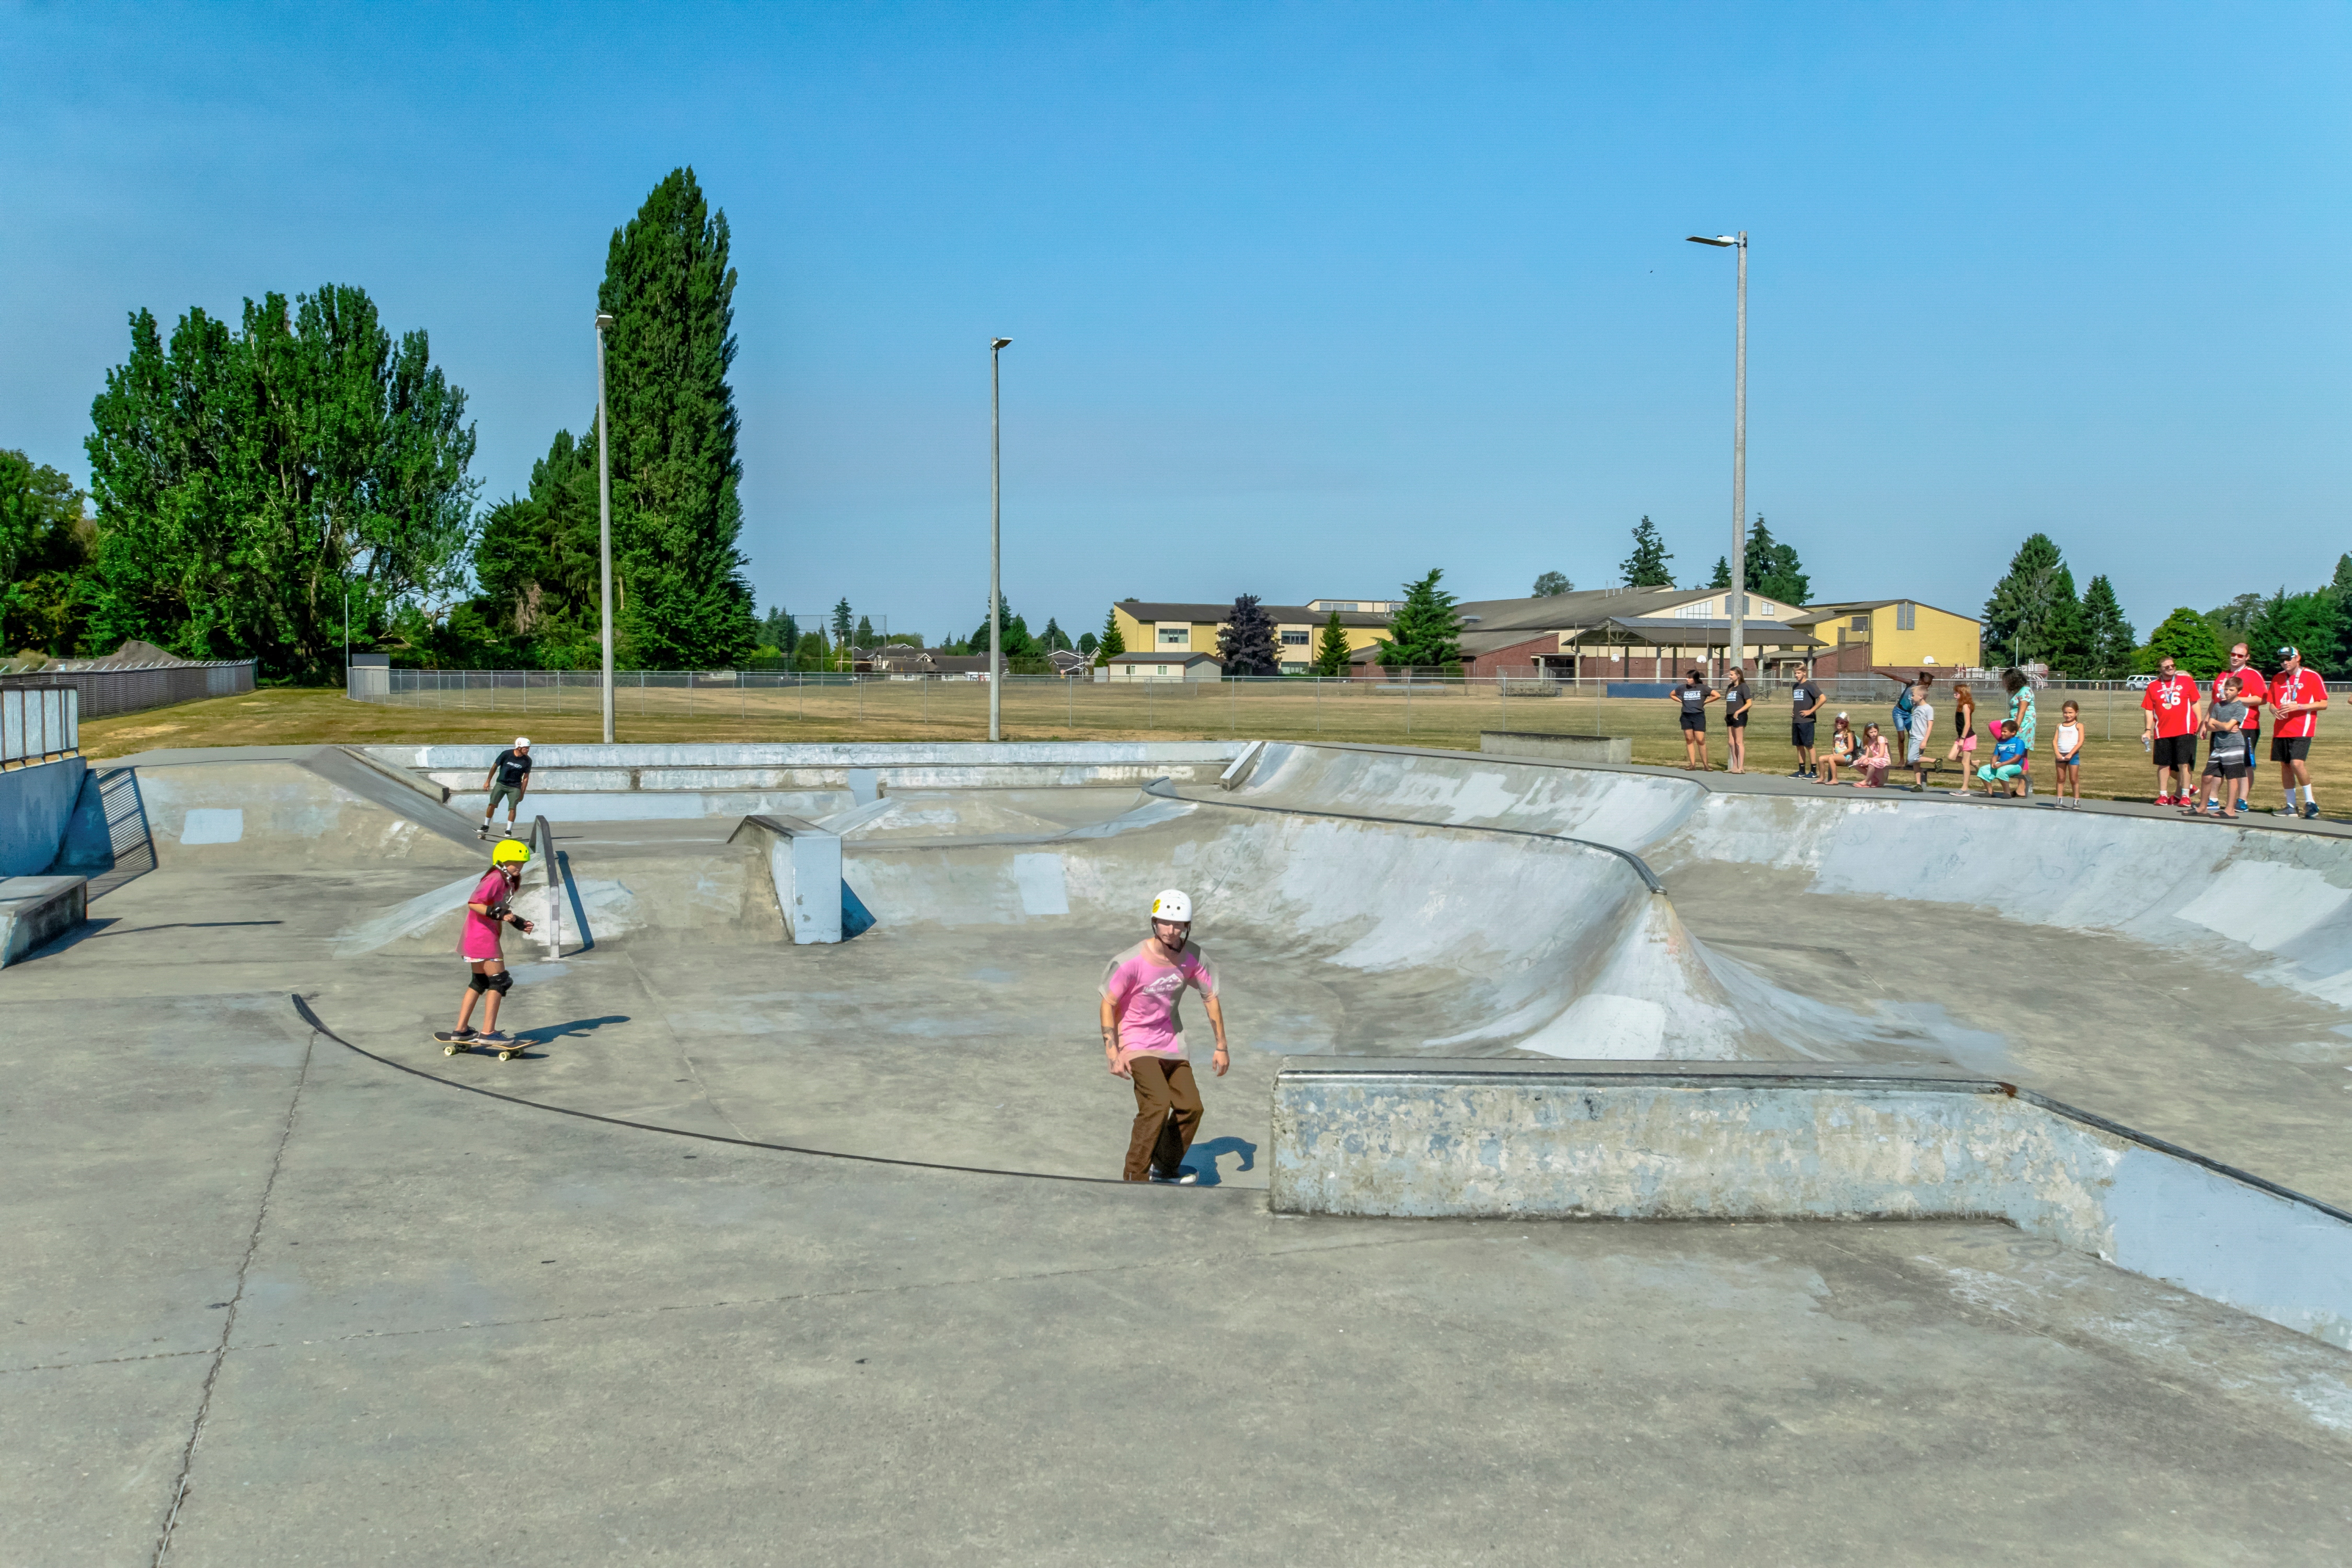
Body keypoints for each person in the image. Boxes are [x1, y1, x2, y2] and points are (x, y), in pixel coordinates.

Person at [1100, 890, 1230, 1184]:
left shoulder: (1193, 958)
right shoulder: (1131, 962)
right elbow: (1107, 1003)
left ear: (1187, 926)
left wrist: (1221, 1046)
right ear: (1154, 923)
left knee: (1191, 1106)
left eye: (1179, 924)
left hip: (1171, 1042)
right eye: (1165, 923)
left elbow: (1210, 997)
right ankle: (1135, 1176)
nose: (1171, 931)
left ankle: (1165, 1166)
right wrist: (1112, 1052)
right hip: (1135, 1042)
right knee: (1157, 1103)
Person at [436, 836, 536, 1051]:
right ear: (502, 861)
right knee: (500, 981)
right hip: (483, 938)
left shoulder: (504, 880)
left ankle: (461, 1030)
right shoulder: (495, 879)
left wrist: (518, 922)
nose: (519, 868)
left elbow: (499, 909)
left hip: (477, 935)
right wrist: (496, 914)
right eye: (515, 863)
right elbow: (474, 903)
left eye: (522, 864)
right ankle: (489, 1033)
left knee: (480, 982)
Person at [2267, 645, 2330, 818]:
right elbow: (2271, 702)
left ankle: (2311, 803)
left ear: (2297, 658)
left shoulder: (2311, 676)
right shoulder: (2277, 678)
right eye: (2281, 660)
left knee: (2296, 763)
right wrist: (2274, 710)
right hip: (2281, 729)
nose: (2285, 663)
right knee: (2285, 765)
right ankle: (2290, 805)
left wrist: (2299, 706)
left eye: (2288, 659)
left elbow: (2323, 703)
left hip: (2302, 727)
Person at [2212, 644, 2267, 816]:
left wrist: (2236, 699)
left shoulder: (2252, 674)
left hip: (2245, 726)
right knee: (2217, 762)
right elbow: (2215, 702)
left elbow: (2262, 698)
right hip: (2220, 727)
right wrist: (2206, 722)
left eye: (2240, 655)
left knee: (2244, 764)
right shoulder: (2223, 675)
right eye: (2233, 654)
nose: (2235, 657)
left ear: (2247, 658)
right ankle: (2213, 798)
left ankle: (2242, 800)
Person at [2139, 656, 2201, 806]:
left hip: (2184, 729)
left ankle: (2186, 795)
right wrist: (2148, 730)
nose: (2170, 668)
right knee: (2163, 764)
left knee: (2183, 763)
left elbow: (2195, 702)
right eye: (2166, 667)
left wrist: (2200, 722)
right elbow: (2149, 709)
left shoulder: (2186, 681)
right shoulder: (2153, 686)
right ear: (2159, 669)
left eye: (2172, 666)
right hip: (2162, 730)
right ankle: (2163, 795)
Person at [2186, 678, 2251, 818]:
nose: (2227, 692)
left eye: (2231, 690)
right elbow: (2209, 726)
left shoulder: (2239, 707)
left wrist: (2216, 723)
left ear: (2239, 691)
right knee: (2207, 776)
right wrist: (2218, 725)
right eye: (2226, 689)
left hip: (2234, 745)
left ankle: (2230, 809)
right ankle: (2203, 807)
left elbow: (2228, 726)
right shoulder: (2218, 705)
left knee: (2232, 777)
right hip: (2219, 745)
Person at [479, 736, 534, 841]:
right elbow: (494, 767)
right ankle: (486, 826)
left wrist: (522, 793)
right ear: (519, 747)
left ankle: (508, 831)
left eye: (528, 748)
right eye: (526, 748)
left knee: (513, 808)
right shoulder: (506, 754)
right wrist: (488, 781)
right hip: (501, 784)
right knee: (492, 804)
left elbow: (526, 778)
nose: (528, 750)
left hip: (515, 787)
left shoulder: (527, 761)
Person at [1670, 668, 1717, 770]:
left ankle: (1706, 765)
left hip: (1698, 716)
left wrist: (1706, 702)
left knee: (1700, 740)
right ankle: (1692, 764)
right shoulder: (1682, 688)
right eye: (1687, 677)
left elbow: (1717, 695)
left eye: (1689, 678)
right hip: (1686, 716)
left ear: (1695, 679)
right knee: (1689, 739)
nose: (1687, 679)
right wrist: (1680, 701)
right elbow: (1672, 694)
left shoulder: (1703, 688)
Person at [2002, 669, 2038, 797]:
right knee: (2021, 754)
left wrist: (2015, 728)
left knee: (2022, 753)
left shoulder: (2026, 691)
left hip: (2024, 724)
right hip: (2015, 722)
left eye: (2006, 681)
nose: (2004, 684)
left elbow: (2022, 711)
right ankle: (2021, 788)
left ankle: (2022, 788)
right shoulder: (2018, 692)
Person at [1789, 662, 1825, 780]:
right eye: (1795, 673)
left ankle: (1813, 771)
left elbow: (1823, 698)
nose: (1796, 675)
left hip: (1807, 721)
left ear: (1805, 673)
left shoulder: (1810, 685)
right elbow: (1798, 702)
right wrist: (1794, 711)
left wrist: (1811, 711)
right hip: (1797, 720)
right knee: (1799, 746)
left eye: (1799, 673)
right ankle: (1801, 771)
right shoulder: (1795, 687)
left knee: (1809, 745)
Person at [1941, 684, 1978, 792]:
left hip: (1968, 737)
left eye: (1957, 693)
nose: (1954, 694)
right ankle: (1974, 763)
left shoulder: (1966, 706)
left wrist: (1962, 739)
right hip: (1961, 736)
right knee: (1951, 757)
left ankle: (1964, 788)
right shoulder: (1960, 705)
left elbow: (1967, 724)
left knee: (1964, 763)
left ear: (1963, 694)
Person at [1977, 721, 2027, 797]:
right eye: (2002, 731)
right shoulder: (2000, 742)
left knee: (2001, 771)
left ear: (2013, 732)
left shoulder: (2019, 742)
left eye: (2005, 732)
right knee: (1983, 770)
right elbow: (1995, 755)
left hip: (2015, 766)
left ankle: (2007, 792)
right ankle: (1990, 792)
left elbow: (2017, 758)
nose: (2002, 733)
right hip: (2001, 764)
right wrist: (1993, 763)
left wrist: (2001, 764)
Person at [1905, 675, 1936, 791]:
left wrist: (1925, 741)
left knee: (1911, 759)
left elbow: (1930, 725)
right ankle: (1918, 784)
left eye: (1914, 695)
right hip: (1913, 737)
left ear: (1921, 696)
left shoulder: (1928, 709)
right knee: (1915, 763)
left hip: (1920, 738)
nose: (1912, 697)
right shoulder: (1916, 708)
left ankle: (1935, 761)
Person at [2053, 700, 2084, 808]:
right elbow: (2055, 741)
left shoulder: (2078, 726)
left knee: (2074, 779)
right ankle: (2059, 800)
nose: (2068, 715)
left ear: (2077, 713)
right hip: (2060, 755)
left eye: (2071, 713)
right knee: (2061, 778)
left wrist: (2071, 754)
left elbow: (2080, 741)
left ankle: (2076, 801)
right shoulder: (2060, 726)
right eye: (2065, 713)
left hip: (2073, 756)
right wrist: (2057, 753)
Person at [1722, 668, 1751, 774]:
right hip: (1730, 716)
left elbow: (1749, 703)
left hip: (1740, 716)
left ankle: (1741, 767)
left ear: (1738, 675)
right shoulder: (1730, 687)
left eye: (1731, 675)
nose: (1729, 677)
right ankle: (1734, 766)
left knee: (1739, 742)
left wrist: (1737, 712)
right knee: (1731, 742)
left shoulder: (1743, 687)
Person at [1822, 713, 1857, 786]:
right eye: (1837, 722)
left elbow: (1851, 749)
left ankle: (1834, 779)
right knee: (1821, 759)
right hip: (1837, 755)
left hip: (1847, 757)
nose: (1839, 724)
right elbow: (1834, 746)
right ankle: (1822, 778)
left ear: (1846, 724)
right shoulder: (1835, 734)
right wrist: (1834, 753)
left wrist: (1839, 755)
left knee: (1831, 759)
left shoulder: (1848, 734)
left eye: (1842, 722)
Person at [1855, 722, 1892, 788]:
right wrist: (1863, 758)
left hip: (1884, 759)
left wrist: (1870, 759)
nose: (1874, 734)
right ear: (1867, 733)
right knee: (1856, 763)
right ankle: (1874, 779)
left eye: (1875, 731)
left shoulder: (1881, 739)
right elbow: (1867, 755)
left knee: (1871, 763)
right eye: (1871, 732)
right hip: (1876, 759)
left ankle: (1866, 781)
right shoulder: (1869, 741)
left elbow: (1881, 754)